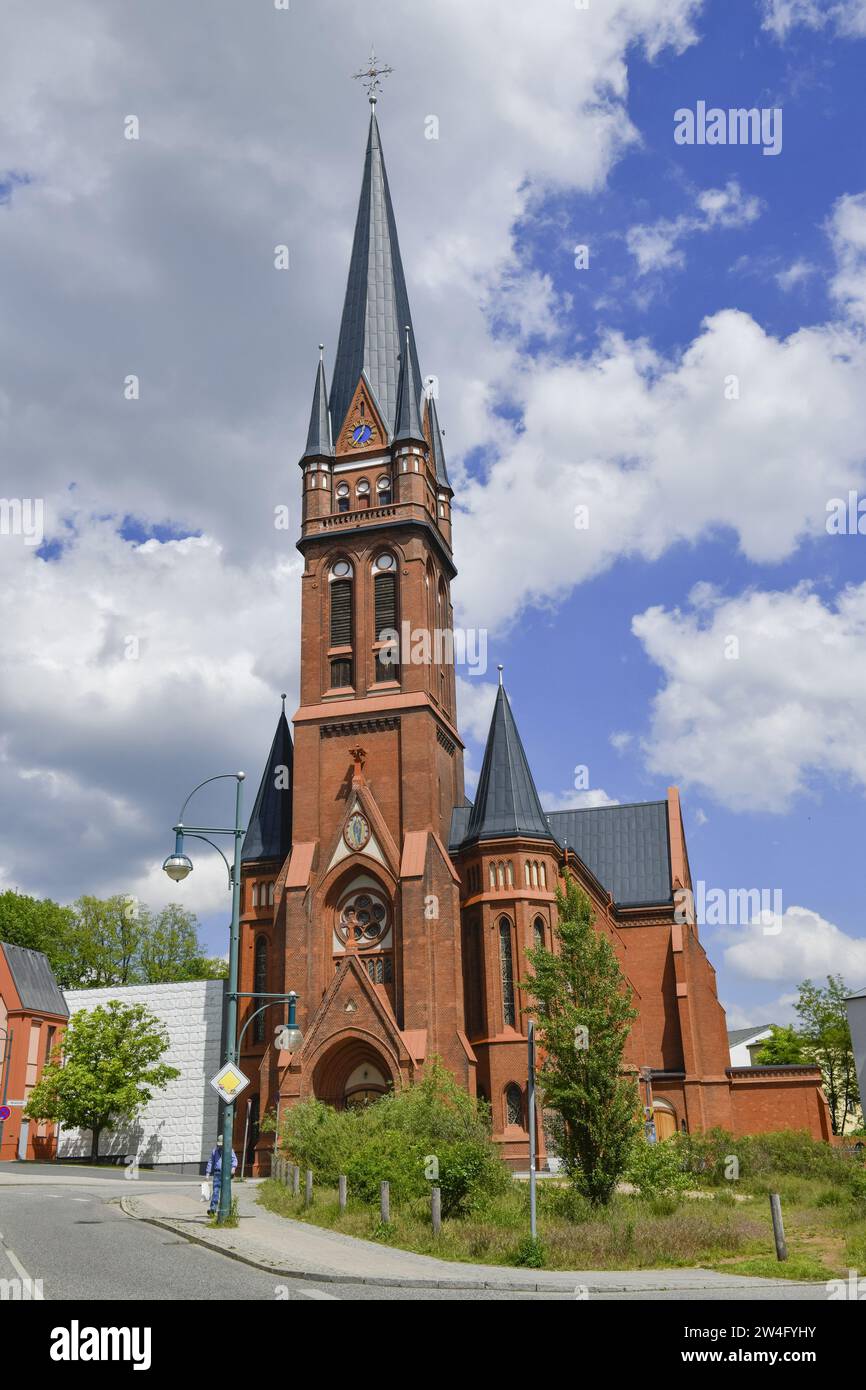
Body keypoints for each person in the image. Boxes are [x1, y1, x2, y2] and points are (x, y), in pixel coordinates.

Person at [205, 1135, 238, 1215]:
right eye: (219, 1144)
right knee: (215, 1191)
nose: (220, 1146)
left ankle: (228, 1209)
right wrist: (207, 1173)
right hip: (217, 1173)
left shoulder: (229, 1150)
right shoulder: (215, 1151)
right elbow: (211, 1162)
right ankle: (213, 1208)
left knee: (226, 1192)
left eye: (221, 1144)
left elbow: (234, 1160)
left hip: (226, 1173)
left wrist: (233, 1168)